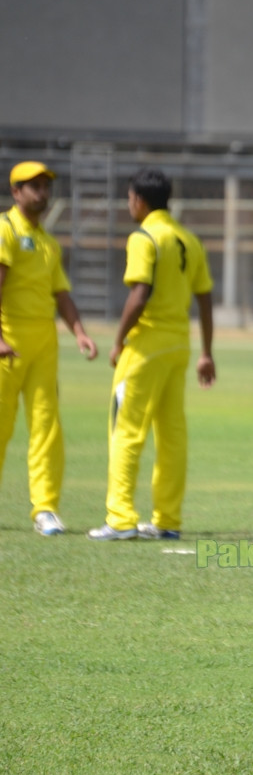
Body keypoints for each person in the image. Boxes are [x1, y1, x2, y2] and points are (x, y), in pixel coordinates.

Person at [87, 167, 215, 542]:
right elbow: (204, 299)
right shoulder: (189, 239)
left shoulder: (144, 237)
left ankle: (121, 518)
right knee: (172, 434)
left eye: (129, 199)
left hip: (146, 349)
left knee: (125, 431)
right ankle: (167, 520)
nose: (130, 205)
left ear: (139, 200)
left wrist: (118, 339)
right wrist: (206, 352)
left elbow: (138, 295)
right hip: (180, 347)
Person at [0, 161, 98, 536]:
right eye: (33, 186)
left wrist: (80, 333)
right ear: (16, 191)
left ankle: (46, 509)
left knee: (46, 428)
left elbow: (61, 294)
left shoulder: (48, 242)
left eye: (46, 186)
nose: (42, 192)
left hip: (44, 345)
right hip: (8, 341)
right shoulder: (5, 230)